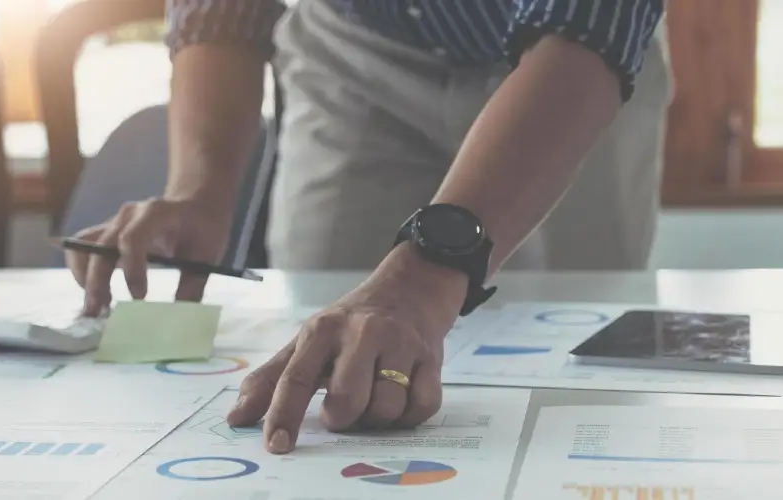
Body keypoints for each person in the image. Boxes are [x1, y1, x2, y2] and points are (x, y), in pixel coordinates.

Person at [66, 0, 669, 455]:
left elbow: (593, 20)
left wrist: (427, 275)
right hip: (357, 47)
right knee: (326, 333)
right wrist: (197, 191)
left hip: (572, 50)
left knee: (582, 350)